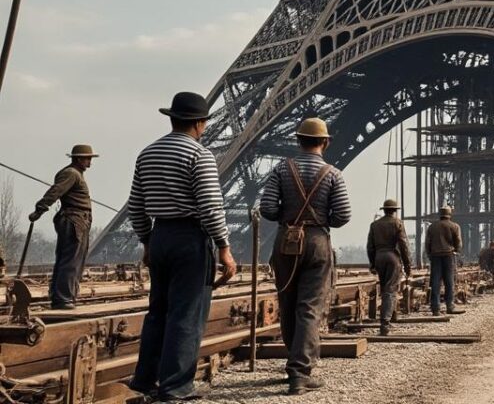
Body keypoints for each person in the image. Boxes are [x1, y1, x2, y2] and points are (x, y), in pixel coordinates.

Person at [128, 92, 236, 401]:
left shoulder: (147, 153)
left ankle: (145, 379)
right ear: (200, 124)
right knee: (187, 314)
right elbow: (211, 207)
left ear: (172, 118)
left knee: (157, 311)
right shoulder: (200, 156)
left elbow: (136, 206)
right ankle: (175, 387)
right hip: (190, 240)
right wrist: (224, 247)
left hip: (160, 236)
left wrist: (147, 241)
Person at [259, 117, 352, 395]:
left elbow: (266, 208)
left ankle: (293, 359)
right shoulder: (333, 174)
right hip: (317, 241)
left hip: (286, 241)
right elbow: (343, 216)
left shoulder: (281, 169)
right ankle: (299, 372)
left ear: (298, 140)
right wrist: (321, 219)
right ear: (325, 142)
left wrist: (288, 218)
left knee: (287, 302)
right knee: (310, 306)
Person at [30, 144, 97, 309]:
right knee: (71, 260)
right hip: (74, 220)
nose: (90, 161)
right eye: (87, 158)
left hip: (77, 220)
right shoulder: (71, 173)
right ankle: (63, 299)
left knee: (70, 259)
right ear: (79, 159)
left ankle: (62, 297)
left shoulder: (76, 174)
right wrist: (40, 209)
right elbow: (55, 191)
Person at [367, 199, 411, 335]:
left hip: (379, 257)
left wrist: (373, 263)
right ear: (395, 210)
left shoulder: (374, 225)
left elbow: (370, 246)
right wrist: (408, 265)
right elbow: (404, 246)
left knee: (385, 288)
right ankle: (385, 324)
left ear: (384, 210)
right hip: (393, 257)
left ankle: (390, 316)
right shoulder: (398, 223)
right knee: (390, 290)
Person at [425, 206, 462, 315]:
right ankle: (450, 306)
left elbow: (427, 244)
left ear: (440, 214)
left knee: (435, 282)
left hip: (435, 256)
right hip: (449, 256)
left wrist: (430, 256)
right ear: (450, 214)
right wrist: (456, 251)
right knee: (449, 281)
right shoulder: (455, 226)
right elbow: (458, 242)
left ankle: (435, 309)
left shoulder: (432, 227)